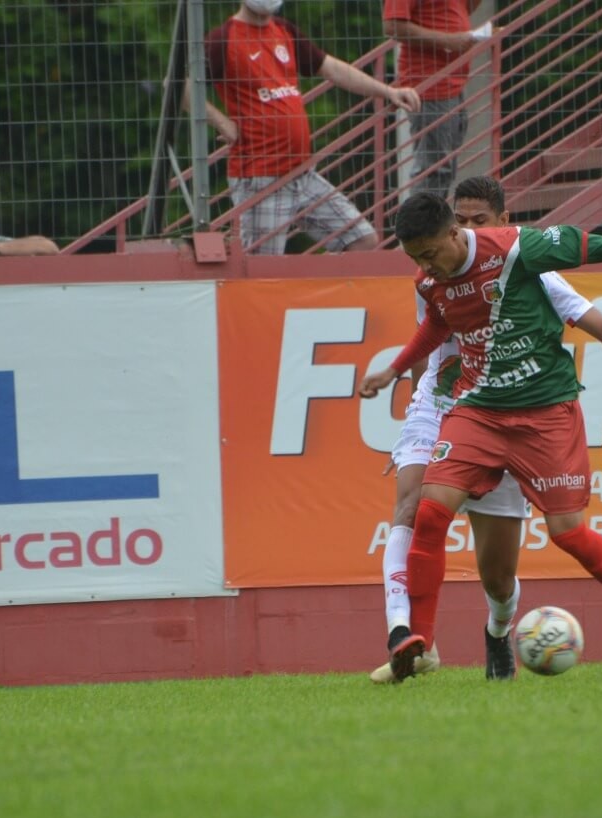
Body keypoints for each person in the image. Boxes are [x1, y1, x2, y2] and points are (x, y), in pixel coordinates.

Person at [359, 191, 602, 680]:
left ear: (457, 234)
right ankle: (422, 643)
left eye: (431, 254)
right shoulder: (430, 279)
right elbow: (436, 325)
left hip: (544, 411)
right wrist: (394, 369)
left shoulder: (523, 250)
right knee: (429, 512)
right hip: (477, 408)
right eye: (416, 259)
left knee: (565, 532)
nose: (426, 267)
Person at [371, 176, 581, 683]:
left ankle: (498, 629)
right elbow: (433, 344)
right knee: (411, 504)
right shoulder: (433, 270)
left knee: (498, 575)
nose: (463, 232)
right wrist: (416, 430)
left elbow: (581, 316)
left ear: (504, 223)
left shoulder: (529, 267)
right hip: (444, 405)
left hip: (507, 413)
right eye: (458, 221)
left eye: (477, 221)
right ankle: (407, 637)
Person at [191, 0, 421, 255]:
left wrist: (388, 91)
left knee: (362, 241)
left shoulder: (284, 30)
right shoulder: (223, 38)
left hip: (302, 173)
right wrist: (222, 122)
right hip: (260, 175)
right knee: (262, 268)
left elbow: (332, 68)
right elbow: (180, 85)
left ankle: (320, 294)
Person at [383, 0, 483, 199]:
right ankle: (418, 229)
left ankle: (431, 226)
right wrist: (448, 40)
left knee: (442, 172)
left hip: (451, 84)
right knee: (434, 172)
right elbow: (392, 26)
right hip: (429, 85)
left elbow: (464, 7)